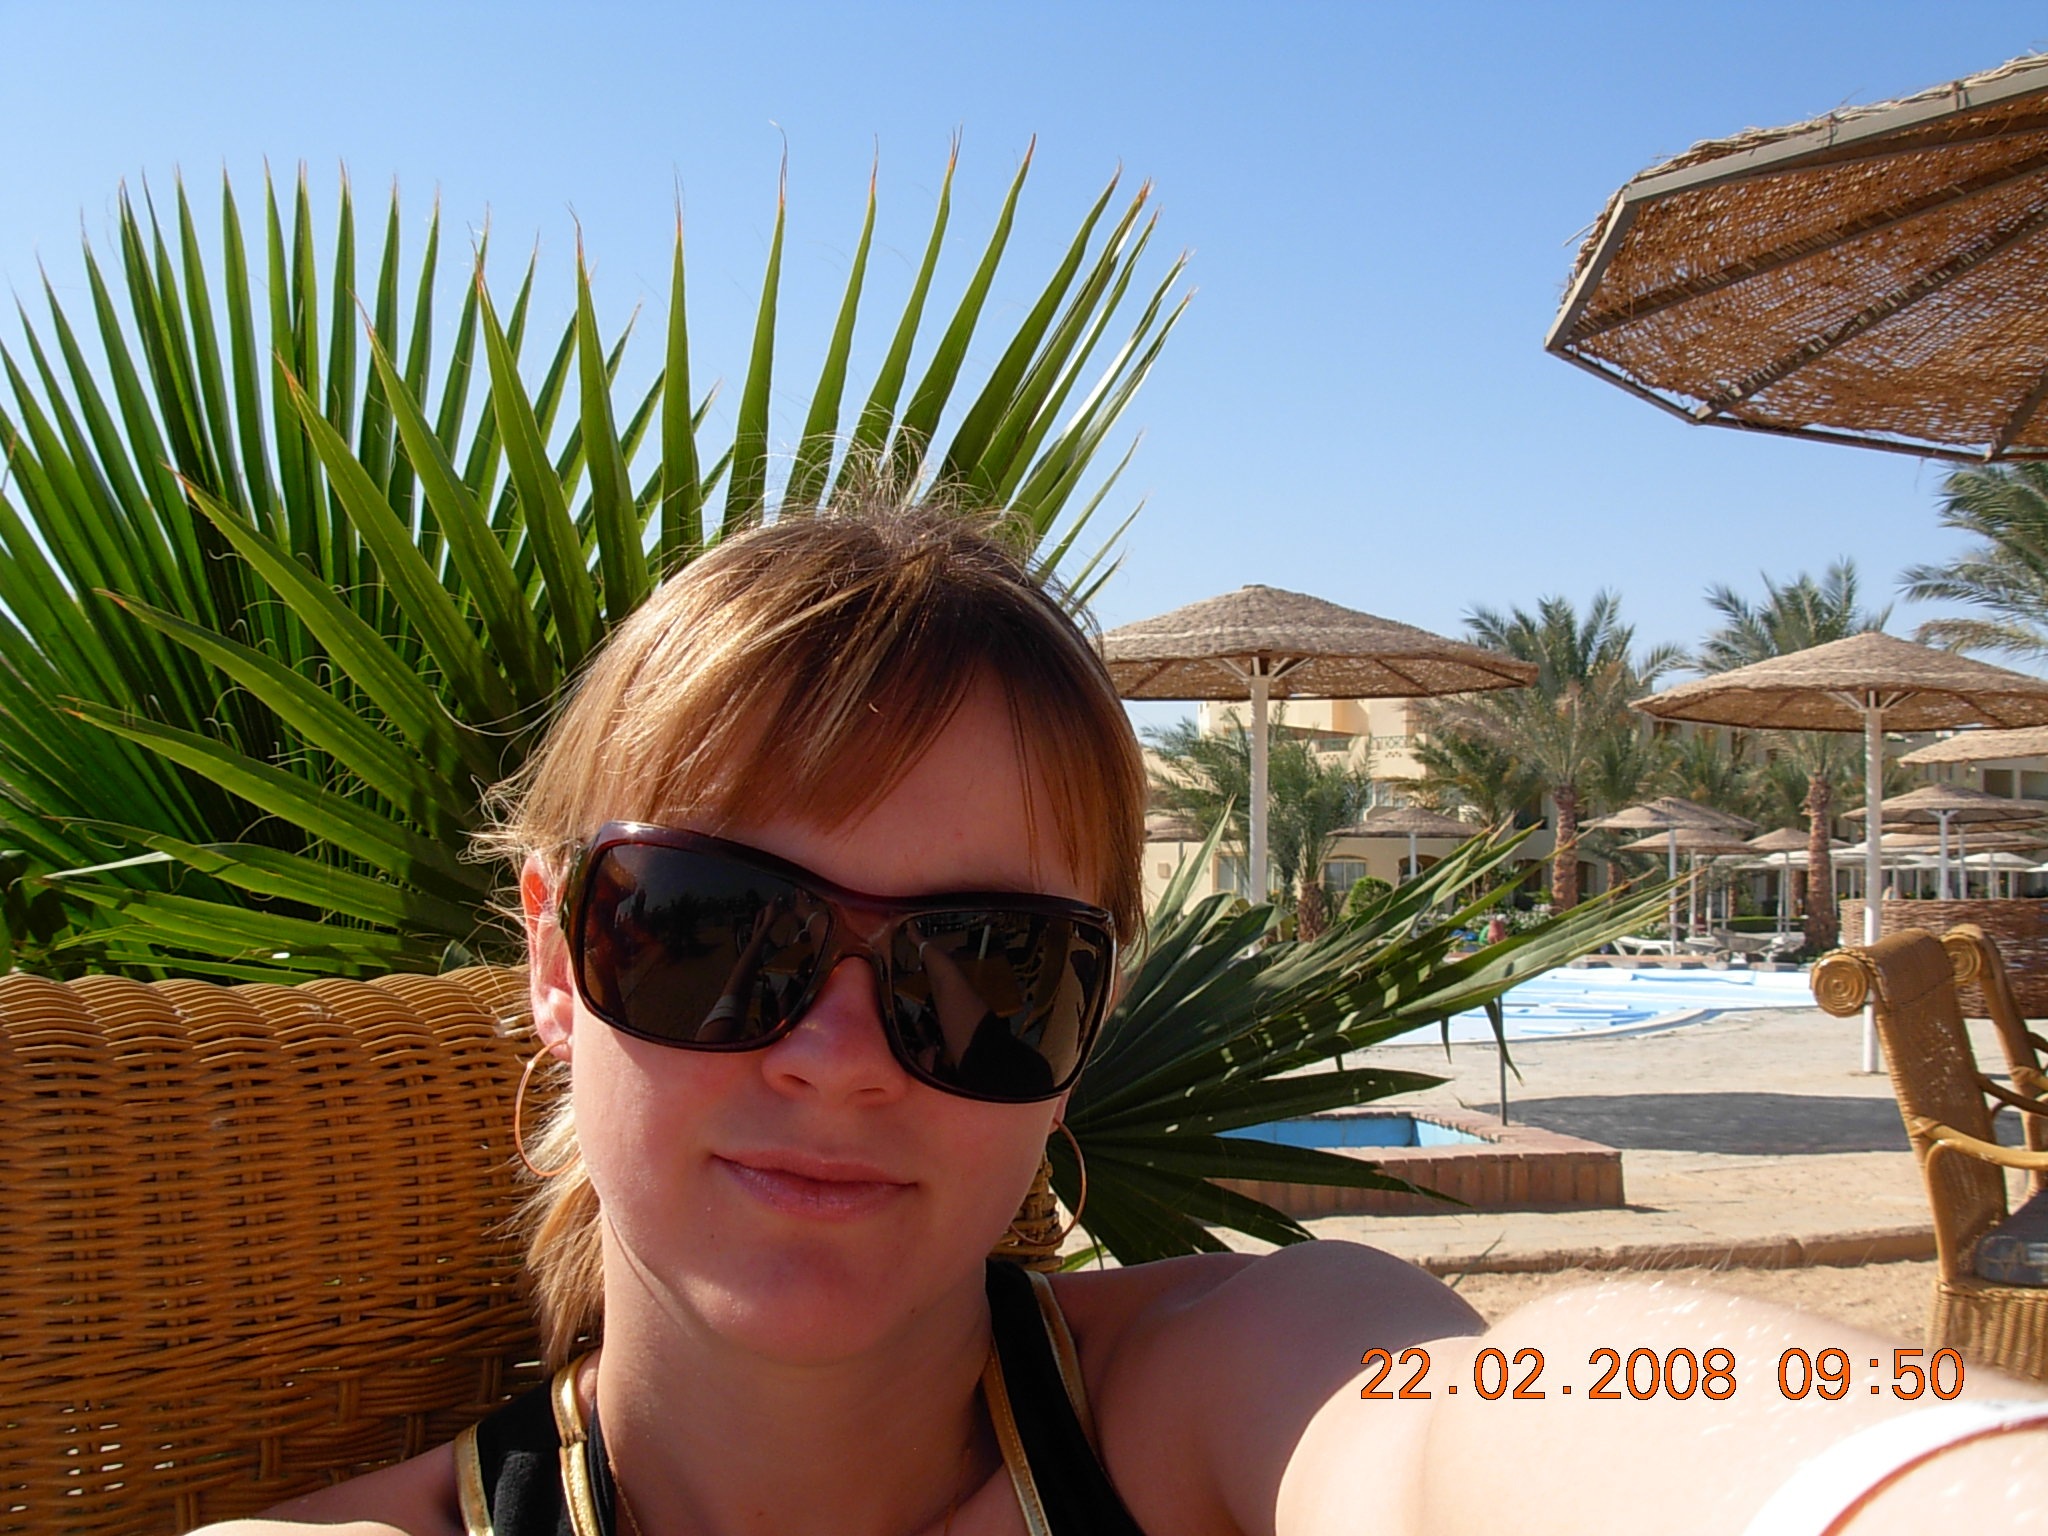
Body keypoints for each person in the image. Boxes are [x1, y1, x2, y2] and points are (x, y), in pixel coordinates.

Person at [199, 500, 2044, 1536]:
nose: (835, 1056)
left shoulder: (1237, 1395)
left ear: (1087, 1020)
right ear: (553, 956)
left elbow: (1526, 1421)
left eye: (984, 967)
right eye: (708, 929)